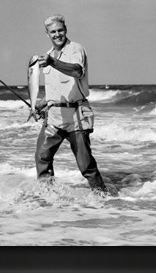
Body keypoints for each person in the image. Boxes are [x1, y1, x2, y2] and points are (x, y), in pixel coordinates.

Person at [28, 14, 108, 193]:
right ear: (47, 34)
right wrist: (39, 105)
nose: (57, 34)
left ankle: (103, 197)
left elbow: (77, 71)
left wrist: (53, 62)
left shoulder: (75, 49)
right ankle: (48, 195)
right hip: (54, 117)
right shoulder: (47, 56)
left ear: (66, 30)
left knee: (85, 164)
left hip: (76, 115)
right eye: (53, 32)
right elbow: (53, 91)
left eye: (60, 30)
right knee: (42, 157)